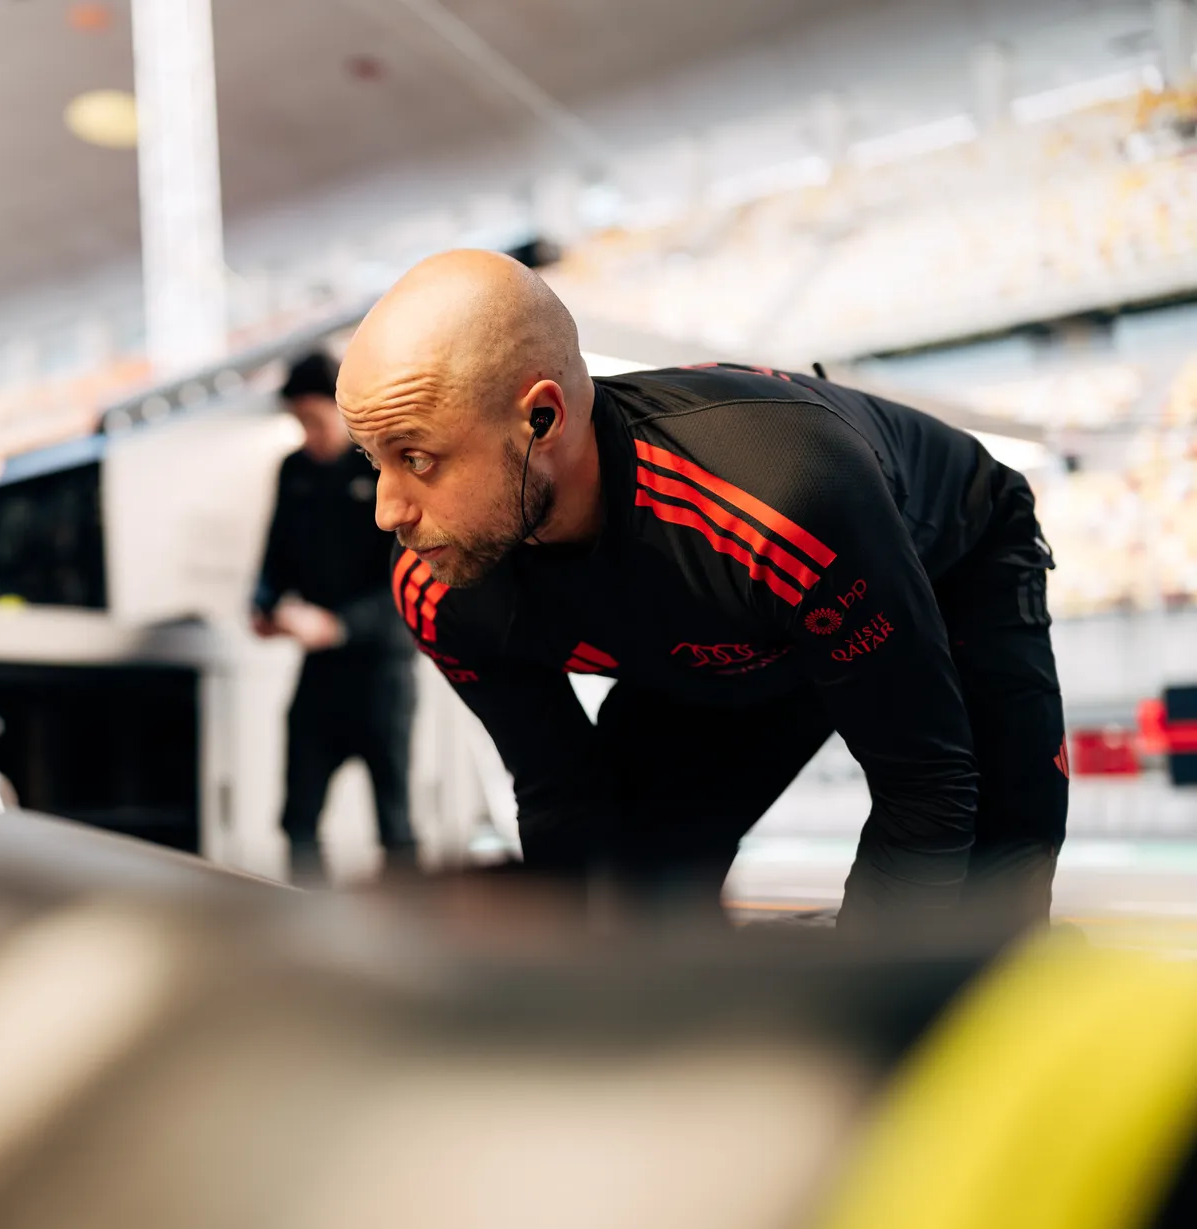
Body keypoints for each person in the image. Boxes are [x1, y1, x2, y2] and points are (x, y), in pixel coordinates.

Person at [338, 250, 1066, 933]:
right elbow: (560, 796)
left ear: (543, 418)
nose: (387, 510)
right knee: (633, 898)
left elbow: (927, 785)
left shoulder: (776, 507)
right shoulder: (439, 585)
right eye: (375, 460)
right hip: (734, 621)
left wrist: (861, 1018)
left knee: (990, 900)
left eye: (418, 456)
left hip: (946, 564)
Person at [254, 351, 418, 885]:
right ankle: (308, 936)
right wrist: (263, 605)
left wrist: (339, 625)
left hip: (382, 670)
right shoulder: (294, 471)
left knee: (394, 823)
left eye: (314, 420)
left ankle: (411, 943)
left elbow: (405, 579)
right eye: (297, 422)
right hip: (320, 674)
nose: (308, 433)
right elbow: (274, 557)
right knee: (297, 818)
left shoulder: (380, 466)